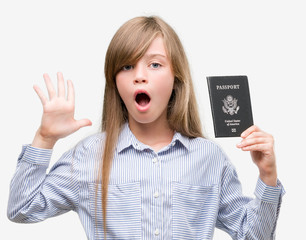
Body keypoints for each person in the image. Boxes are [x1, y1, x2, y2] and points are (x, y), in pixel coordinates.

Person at [7, 16, 284, 240]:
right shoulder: (89, 156)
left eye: (154, 64)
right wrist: (44, 138)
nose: (140, 76)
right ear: (114, 81)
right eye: (127, 66)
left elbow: (253, 236)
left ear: (175, 77)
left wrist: (267, 176)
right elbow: (21, 209)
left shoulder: (209, 158)